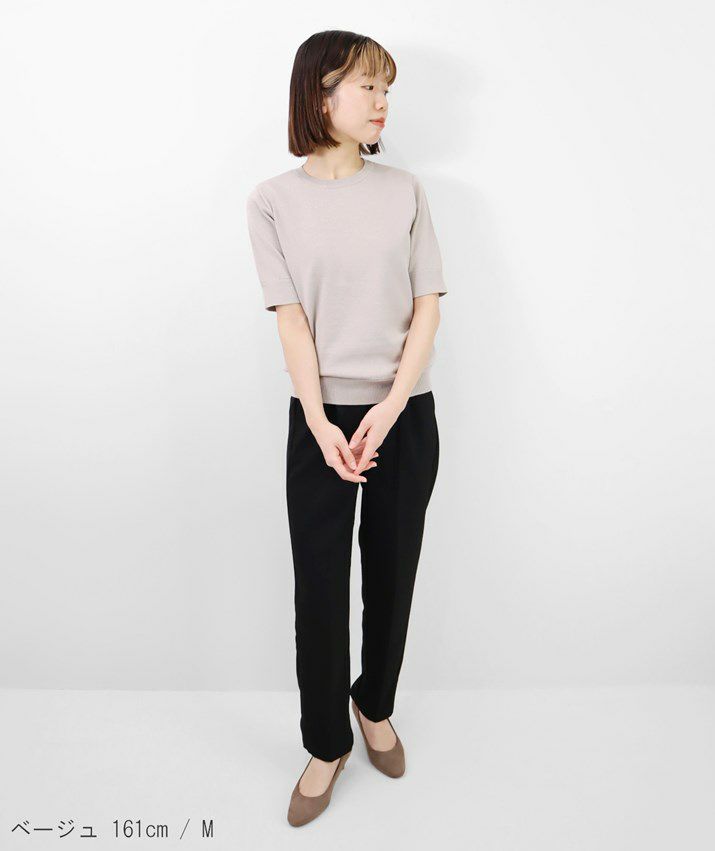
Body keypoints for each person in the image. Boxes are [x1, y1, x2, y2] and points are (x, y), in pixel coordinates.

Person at [246, 29, 447, 827]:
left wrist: (391, 407)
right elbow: (290, 320)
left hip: (404, 412)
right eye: (368, 85)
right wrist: (321, 420)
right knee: (320, 587)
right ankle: (326, 741)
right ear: (319, 94)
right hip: (319, 419)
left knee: (392, 572)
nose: (382, 101)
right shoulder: (271, 201)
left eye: (385, 88)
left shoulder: (405, 191)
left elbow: (427, 304)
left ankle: (375, 703)